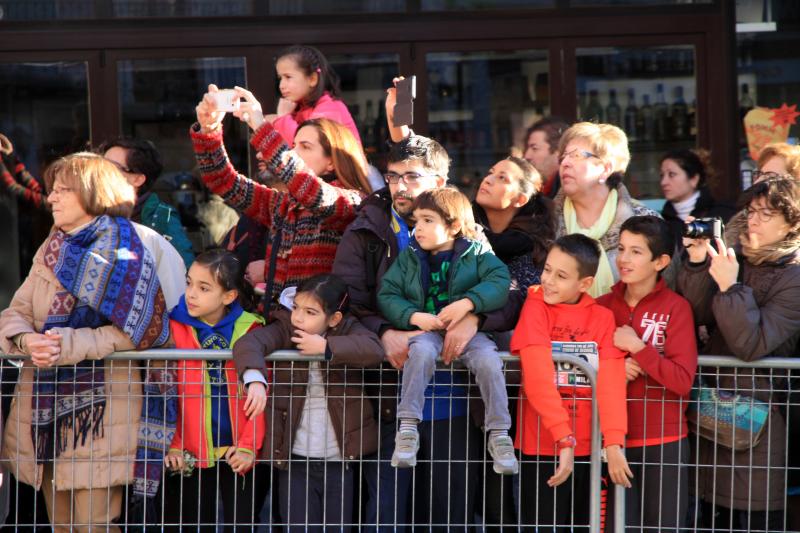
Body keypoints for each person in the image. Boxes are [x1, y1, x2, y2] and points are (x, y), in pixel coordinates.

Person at [0, 153, 182, 532]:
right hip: (45, 414)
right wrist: (26, 339)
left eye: (63, 190)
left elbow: (143, 330)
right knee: (61, 525)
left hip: (103, 416)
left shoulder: (126, 248)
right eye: (52, 191)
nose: (52, 198)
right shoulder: (51, 248)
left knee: (94, 525)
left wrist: (70, 344)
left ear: (92, 193)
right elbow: (14, 312)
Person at [678, 175, 800, 531]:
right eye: (751, 211)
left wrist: (730, 286)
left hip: (759, 420)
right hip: (709, 409)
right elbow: (694, 314)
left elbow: (751, 344)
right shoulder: (735, 254)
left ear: (792, 223)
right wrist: (700, 264)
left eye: (766, 214)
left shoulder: (794, 276)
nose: (754, 220)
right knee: (703, 513)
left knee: (749, 515)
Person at [192, 85, 370, 317]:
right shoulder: (282, 204)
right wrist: (209, 129)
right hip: (277, 328)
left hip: (321, 337)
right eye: (293, 145)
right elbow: (223, 180)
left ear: (331, 163)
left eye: (305, 147)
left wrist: (260, 125)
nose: (295, 153)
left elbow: (311, 190)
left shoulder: (351, 201)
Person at [232, 274, 384, 532]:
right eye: (296, 307)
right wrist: (255, 379)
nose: (299, 317)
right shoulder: (285, 327)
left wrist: (326, 347)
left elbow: (374, 349)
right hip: (294, 457)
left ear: (334, 319)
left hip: (339, 458)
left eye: (310, 312)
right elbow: (249, 343)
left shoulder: (347, 328)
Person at [377, 187, 515, 471]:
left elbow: (500, 281)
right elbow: (387, 293)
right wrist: (414, 317)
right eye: (416, 221)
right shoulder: (411, 256)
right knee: (421, 354)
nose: (418, 229)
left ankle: (499, 432)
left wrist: (468, 303)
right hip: (427, 331)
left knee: (489, 361)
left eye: (428, 220)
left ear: (453, 226)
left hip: (471, 333)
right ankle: (408, 427)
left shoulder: (477, 253)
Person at [511, 234, 630, 532]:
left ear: (585, 283)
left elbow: (612, 382)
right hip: (541, 444)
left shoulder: (602, 318)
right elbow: (537, 377)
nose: (549, 280)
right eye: (547, 269)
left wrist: (613, 442)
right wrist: (563, 437)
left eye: (561, 276)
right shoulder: (535, 306)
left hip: (588, 447)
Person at [597, 216, 698, 532]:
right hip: (610, 440)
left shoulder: (676, 308)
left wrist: (639, 348)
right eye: (622, 248)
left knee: (662, 526)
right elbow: (581, 365)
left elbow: (682, 380)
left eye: (636, 252)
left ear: (661, 261)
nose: (623, 259)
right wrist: (611, 367)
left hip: (665, 439)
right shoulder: (600, 307)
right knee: (614, 525)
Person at [163, 249, 264, 532]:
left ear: (229, 296)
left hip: (238, 450)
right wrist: (173, 442)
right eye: (189, 283)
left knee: (242, 523)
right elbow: (166, 392)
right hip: (189, 452)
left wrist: (249, 445)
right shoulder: (172, 327)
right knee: (191, 523)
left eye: (203, 288)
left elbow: (261, 399)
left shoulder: (252, 329)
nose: (191, 294)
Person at [552, 122, 659, 297]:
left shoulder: (645, 221)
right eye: (563, 156)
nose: (565, 162)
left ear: (605, 169)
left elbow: (663, 293)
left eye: (576, 155)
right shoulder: (545, 222)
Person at [101, 137, 196, 267]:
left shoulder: (162, 218)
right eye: (100, 164)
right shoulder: (88, 209)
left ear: (138, 179)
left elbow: (185, 270)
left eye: (112, 167)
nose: (100, 172)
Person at [473, 155, 555, 290]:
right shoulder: (458, 227)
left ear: (520, 200)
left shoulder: (531, 253)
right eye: (491, 173)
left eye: (502, 178)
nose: (488, 180)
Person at [266, 44, 361, 146]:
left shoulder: (331, 108)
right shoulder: (299, 109)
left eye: (288, 77)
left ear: (312, 79)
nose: (281, 86)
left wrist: (283, 118)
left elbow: (306, 147)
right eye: (280, 78)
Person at [724, 142, 800, 248]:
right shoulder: (739, 226)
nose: (760, 180)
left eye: (771, 176)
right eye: (760, 174)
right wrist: (699, 260)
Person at [659, 149, 735, 252]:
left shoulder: (723, 214)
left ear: (694, 179)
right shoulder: (661, 222)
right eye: (662, 175)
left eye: (672, 174)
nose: (664, 182)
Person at [523, 117, 570, 198]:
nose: (527, 156)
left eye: (534, 148)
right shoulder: (540, 189)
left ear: (558, 151)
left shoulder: (569, 192)